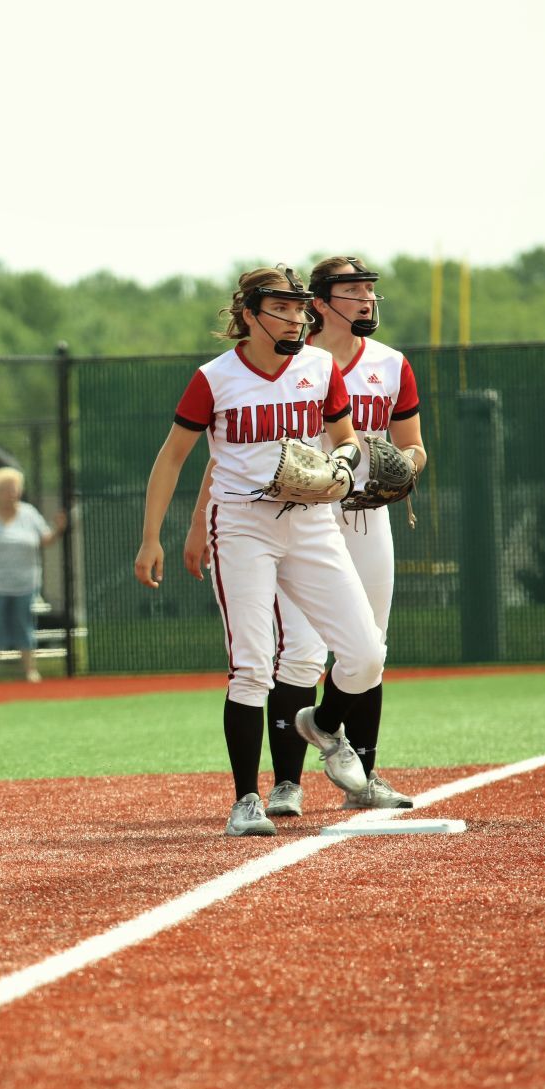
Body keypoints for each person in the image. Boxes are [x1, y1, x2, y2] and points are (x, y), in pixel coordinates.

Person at [134, 265, 384, 838]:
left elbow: (344, 437)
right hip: (244, 523)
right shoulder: (215, 378)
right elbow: (172, 457)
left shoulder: (319, 367)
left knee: (365, 654)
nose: (297, 317)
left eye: (300, 308)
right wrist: (153, 536)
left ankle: (321, 724)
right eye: (283, 308)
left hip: (313, 521)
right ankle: (246, 798)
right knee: (251, 663)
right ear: (249, 314)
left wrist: (344, 463)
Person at [225, 256, 428, 815]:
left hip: (366, 512)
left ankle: (363, 776)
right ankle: (287, 783)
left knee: (370, 648)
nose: (366, 299)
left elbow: (412, 445)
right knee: (300, 652)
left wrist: (405, 468)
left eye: (370, 289)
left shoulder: (390, 364)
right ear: (321, 300)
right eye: (354, 289)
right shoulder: (295, 360)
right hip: (302, 515)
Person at [0, 466, 66, 683]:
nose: (12, 493)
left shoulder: (29, 513)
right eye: (7, 489)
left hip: (24, 583)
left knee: (24, 625)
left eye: (15, 488)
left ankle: (30, 670)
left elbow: (45, 539)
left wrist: (58, 529)